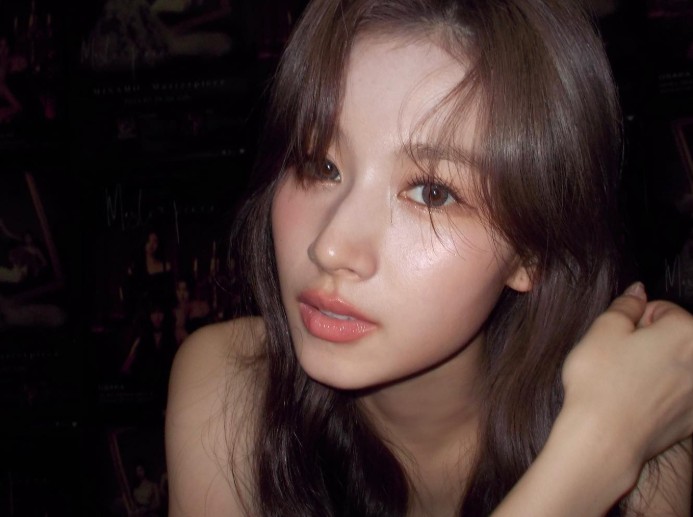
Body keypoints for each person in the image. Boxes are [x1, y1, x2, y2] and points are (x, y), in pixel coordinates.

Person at [166, 0, 693, 515]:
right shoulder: (231, 387)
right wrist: (592, 457)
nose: (329, 247)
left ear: (532, 250)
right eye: (320, 165)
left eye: (432, 193)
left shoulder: (648, 426)